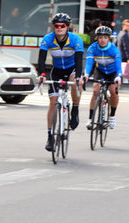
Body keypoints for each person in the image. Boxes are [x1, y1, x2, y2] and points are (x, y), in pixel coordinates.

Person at [37, 12, 84, 152]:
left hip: (72, 69)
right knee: (52, 103)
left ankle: (75, 108)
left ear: (68, 27)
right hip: (56, 70)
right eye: (56, 25)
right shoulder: (48, 39)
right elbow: (41, 59)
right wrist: (42, 74)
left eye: (62, 25)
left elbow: (79, 60)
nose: (59, 28)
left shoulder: (76, 39)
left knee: (76, 82)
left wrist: (79, 77)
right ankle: (50, 136)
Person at [82, 25, 122, 129]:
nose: (103, 40)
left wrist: (119, 76)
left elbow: (118, 66)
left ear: (109, 39)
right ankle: (90, 119)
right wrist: (86, 74)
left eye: (105, 37)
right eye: (100, 37)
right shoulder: (93, 48)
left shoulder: (114, 50)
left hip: (113, 72)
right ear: (97, 38)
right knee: (96, 91)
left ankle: (112, 116)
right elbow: (89, 63)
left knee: (114, 91)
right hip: (100, 71)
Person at [116, 19, 129, 92]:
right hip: (124, 57)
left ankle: (118, 86)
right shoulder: (125, 35)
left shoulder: (120, 33)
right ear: (123, 25)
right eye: (128, 26)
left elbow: (116, 44)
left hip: (119, 56)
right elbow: (126, 47)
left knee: (120, 72)